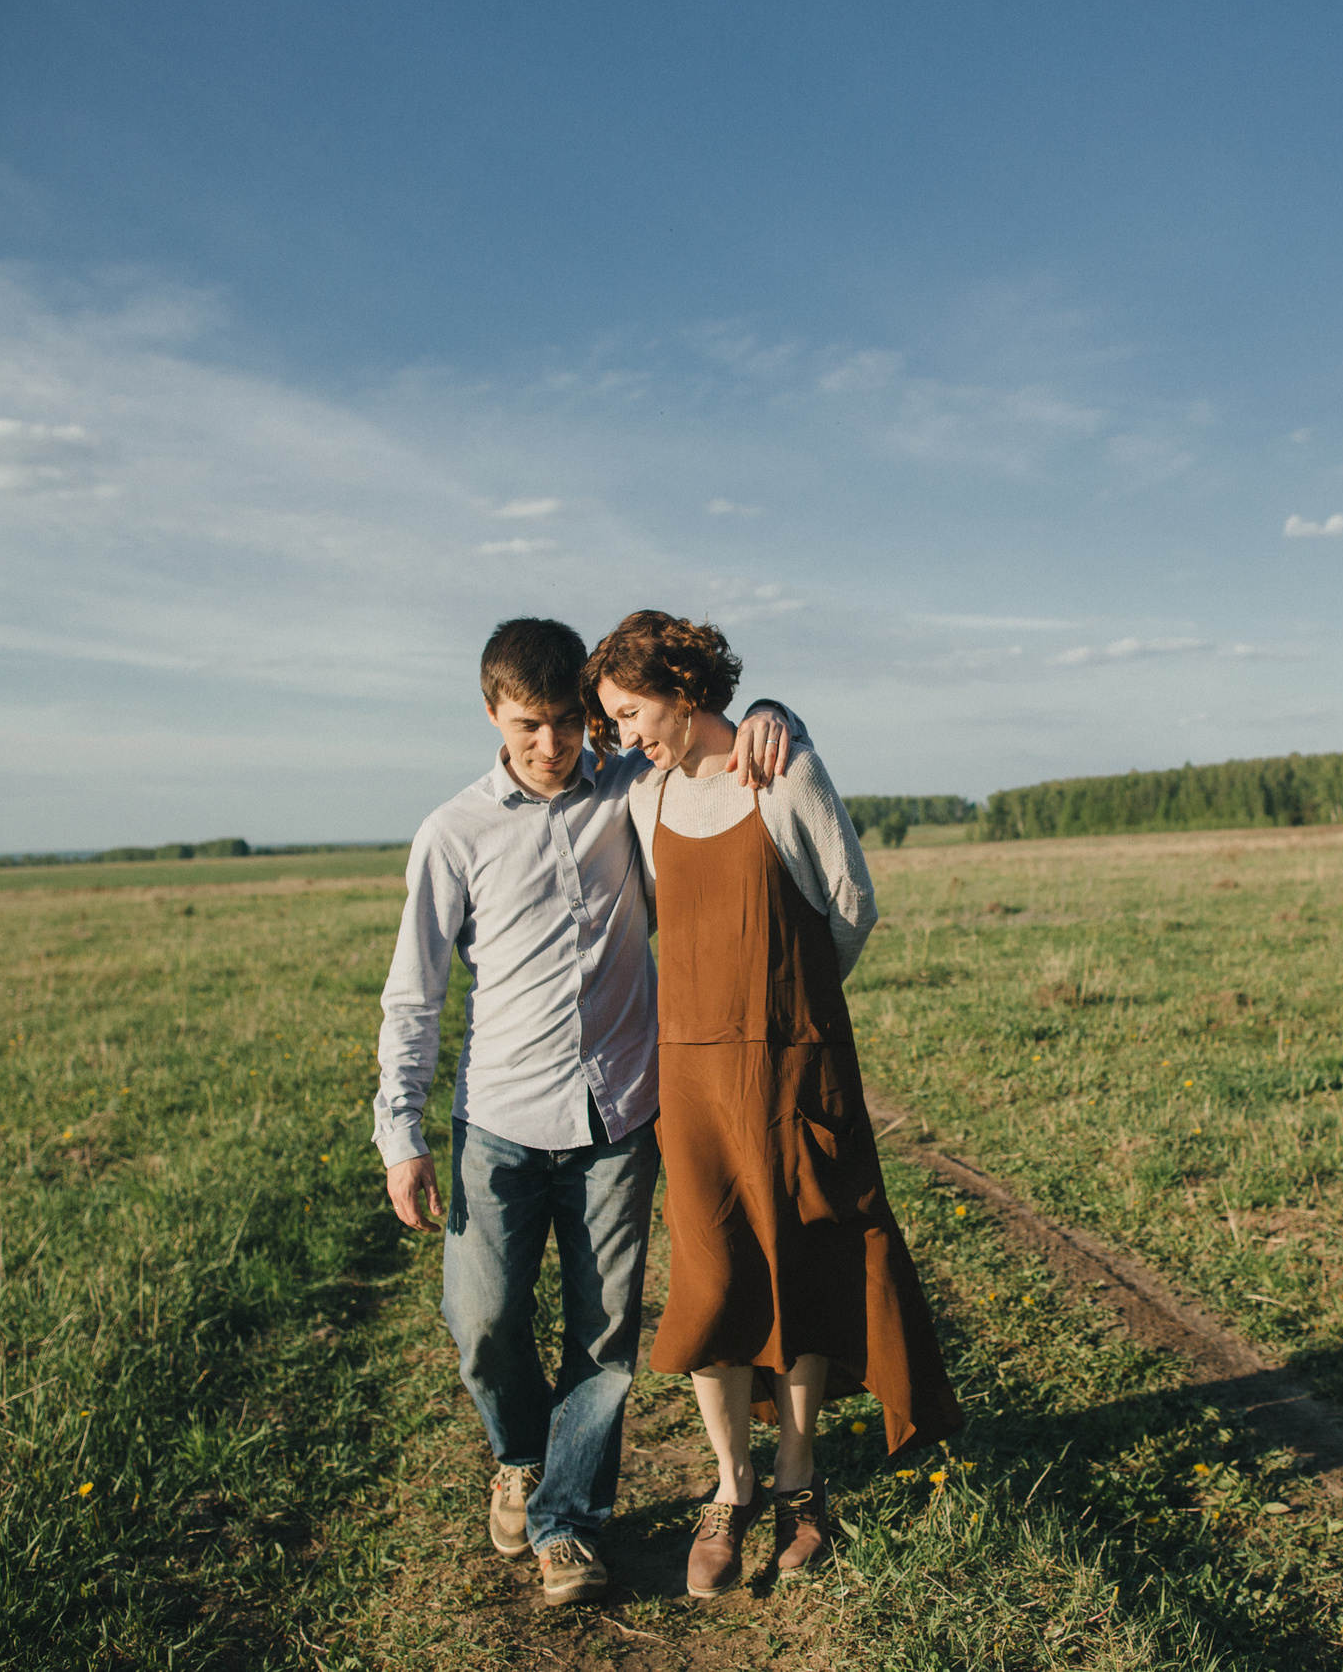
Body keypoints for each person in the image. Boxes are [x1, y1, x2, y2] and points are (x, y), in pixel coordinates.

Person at [371, 618, 801, 1606]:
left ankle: (569, 1522)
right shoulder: (452, 833)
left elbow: (709, 746)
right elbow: (414, 995)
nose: (551, 745)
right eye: (529, 725)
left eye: (567, 723)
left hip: (617, 1120)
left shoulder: (630, 793)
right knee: (480, 1320)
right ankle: (521, 1453)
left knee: (604, 1337)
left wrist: (773, 714)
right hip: (500, 1121)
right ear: (491, 713)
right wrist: (401, 1135)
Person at [586, 611, 962, 1601]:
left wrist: (791, 1010)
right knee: (710, 1280)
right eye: (616, 722)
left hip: (792, 1067)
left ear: (681, 685)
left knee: (796, 1269)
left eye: (633, 714)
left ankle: (799, 1482)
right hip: (693, 1082)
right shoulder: (645, 796)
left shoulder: (784, 772)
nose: (628, 736)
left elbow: (851, 907)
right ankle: (730, 1486)